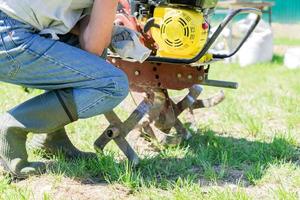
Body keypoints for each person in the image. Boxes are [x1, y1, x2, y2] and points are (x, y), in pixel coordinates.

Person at [0, 0, 129, 179]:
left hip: (13, 26)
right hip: (9, 34)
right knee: (112, 84)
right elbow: (93, 46)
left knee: (79, 44)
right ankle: (12, 127)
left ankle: (51, 138)